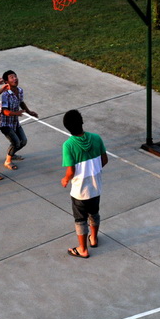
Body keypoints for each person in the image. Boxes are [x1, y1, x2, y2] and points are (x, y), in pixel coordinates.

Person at [60, 109, 108, 259]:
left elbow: (71, 171)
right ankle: (93, 238)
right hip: (95, 187)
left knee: (80, 219)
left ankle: (83, 249)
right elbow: (104, 160)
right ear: (82, 122)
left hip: (80, 191)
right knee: (94, 213)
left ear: (67, 127)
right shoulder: (96, 138)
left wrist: (65, 179)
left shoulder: (68, 145)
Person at [0, 70, 38, 171]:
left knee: (23, 141)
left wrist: (29, 112)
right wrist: (17, 113)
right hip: (4, 123)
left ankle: (12, 154)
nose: (15, 78)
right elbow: (5, 111)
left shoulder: (20, 90)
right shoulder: (5, 94)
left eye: (15, 76)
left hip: (14, 121)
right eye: (11, 77)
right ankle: (8, 161)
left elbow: (21, 102)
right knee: (16, 142)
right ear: (7, 81)